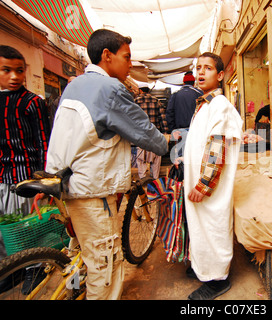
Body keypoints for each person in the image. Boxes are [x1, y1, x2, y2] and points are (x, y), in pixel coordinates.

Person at [45, 29, 168, 300]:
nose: (129, 65)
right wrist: (168, 141)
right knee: (106, 268)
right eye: (126, 57)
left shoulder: (74, 85)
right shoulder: (110, 89)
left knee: (85, 254)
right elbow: (148, 136)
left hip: (65, 180)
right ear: (107, 56)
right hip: (92, 191)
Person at [182, 52, 242, 300]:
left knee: (214, 228)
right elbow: (200, 143)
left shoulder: (219, 105)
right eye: (199, 68)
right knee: (201, 228)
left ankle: (218, 280)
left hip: (210, 187)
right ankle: (203, 268)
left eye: (207, 68)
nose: (201, 72)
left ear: (219, 75)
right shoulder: (205, 104)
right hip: (199, 181)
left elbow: (217, 148)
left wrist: (203, 185)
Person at [0, 45, 51, 259]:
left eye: (20, 70)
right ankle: (9, 272)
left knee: (27, 231)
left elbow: (44, 142)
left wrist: (43, 182)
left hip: (26, 181)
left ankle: (32, 270)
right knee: (4, 233)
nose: (14, 76)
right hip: (1, 181)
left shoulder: (33, 102)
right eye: (6, 70)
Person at [166, 71, 203, 160]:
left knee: (181, 159)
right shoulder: (199, 93)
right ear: (194, 83)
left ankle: (183, 174)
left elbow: (169, 112)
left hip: (180, 132)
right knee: (196, 158)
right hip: (196, 131)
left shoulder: (175, 94)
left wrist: (173, 129)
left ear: (183, 83)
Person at [134, 83, 168, 178]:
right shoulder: (156, 100)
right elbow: (163, 118)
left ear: (140, 90)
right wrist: (165, 133)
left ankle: (143, 178)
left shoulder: (135, 101)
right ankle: (155, 178)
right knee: (156, 158)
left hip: (140, 135)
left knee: (141, 159)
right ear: (148, 90)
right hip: (155, 134)